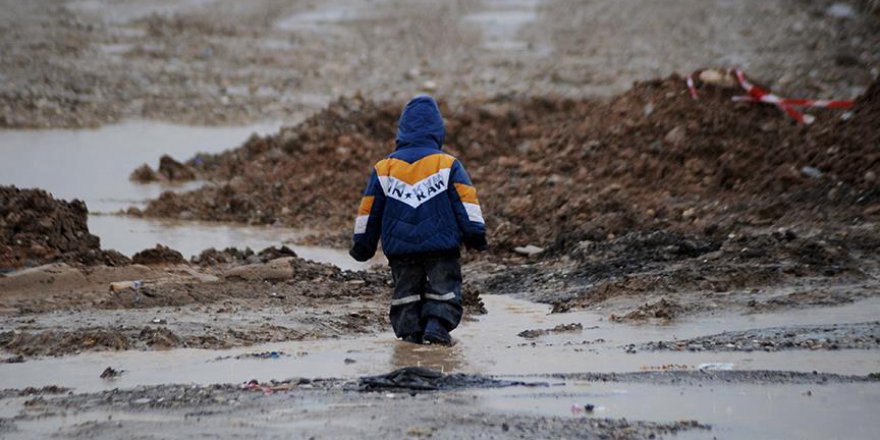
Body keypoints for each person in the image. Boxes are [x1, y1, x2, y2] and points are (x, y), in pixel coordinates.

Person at [349, 95, 488, 345]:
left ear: (401, 131)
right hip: (441, 246)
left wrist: (363, 245)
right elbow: (467, 202)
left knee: (405, 292)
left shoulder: (385, 168)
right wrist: (475, 235)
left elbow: (368, 211)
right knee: (444, 286)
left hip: (401, 249)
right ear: (438, 131)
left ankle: (410, 333)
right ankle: (437, 326)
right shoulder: (447, 164)